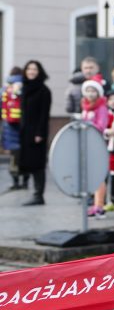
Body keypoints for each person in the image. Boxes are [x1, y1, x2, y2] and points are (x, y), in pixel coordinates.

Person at [18, 60, 51, 206]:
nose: (31, 72)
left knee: (38, 164)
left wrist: (40, 133)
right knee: (29, 162)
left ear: (39, 72)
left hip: (37, 132)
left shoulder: (44, 90)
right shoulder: (24, 88)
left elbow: (44, 115)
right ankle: (34, 192)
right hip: (25, 131)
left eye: (34, 69)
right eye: (29, 69)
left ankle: (39, 195)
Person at [81, 80, 110, 218]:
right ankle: (95, 204)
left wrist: (87, 124)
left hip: (97, 144)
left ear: (98, 93)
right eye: (88, 91)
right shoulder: (86, 107)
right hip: (87, 144)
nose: (91, 94)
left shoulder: (102, 107)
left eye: (94, 91)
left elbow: (102, 126)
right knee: (91, 175)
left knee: (98, 175)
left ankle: (99, 205)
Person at [2, 67, 25, 190]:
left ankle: (15, 181)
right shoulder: (24, 87)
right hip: (23, 126)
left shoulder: (5, 90)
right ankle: (25, 181)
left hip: (9, 127)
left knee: (13, 157)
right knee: (24, 155)